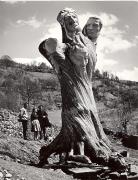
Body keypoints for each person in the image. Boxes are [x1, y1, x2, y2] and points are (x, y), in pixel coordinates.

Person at [38, 8, 127, 170]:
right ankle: (68, 151)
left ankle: (95, 147)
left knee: (91, 124)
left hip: (87, 97)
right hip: (74, 101)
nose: (71, 19)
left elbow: (90, 46)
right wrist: (55, 49)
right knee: (78, 124)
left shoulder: (87, 42)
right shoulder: (67, 46)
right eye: (67, 19)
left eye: (73, 16)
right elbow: (50, 47)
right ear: (63, 24)